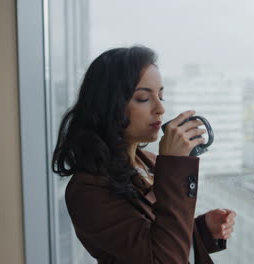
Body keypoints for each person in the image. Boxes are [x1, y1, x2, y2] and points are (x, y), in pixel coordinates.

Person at [52, 46, 236, 264]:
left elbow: (159, 236)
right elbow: (162, 259)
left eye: (161, 96)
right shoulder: (87, 191)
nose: (160, 109)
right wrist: (175, 165)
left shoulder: (148, 160)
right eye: (143, 98)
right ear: (110, 104)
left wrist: (203, 230)